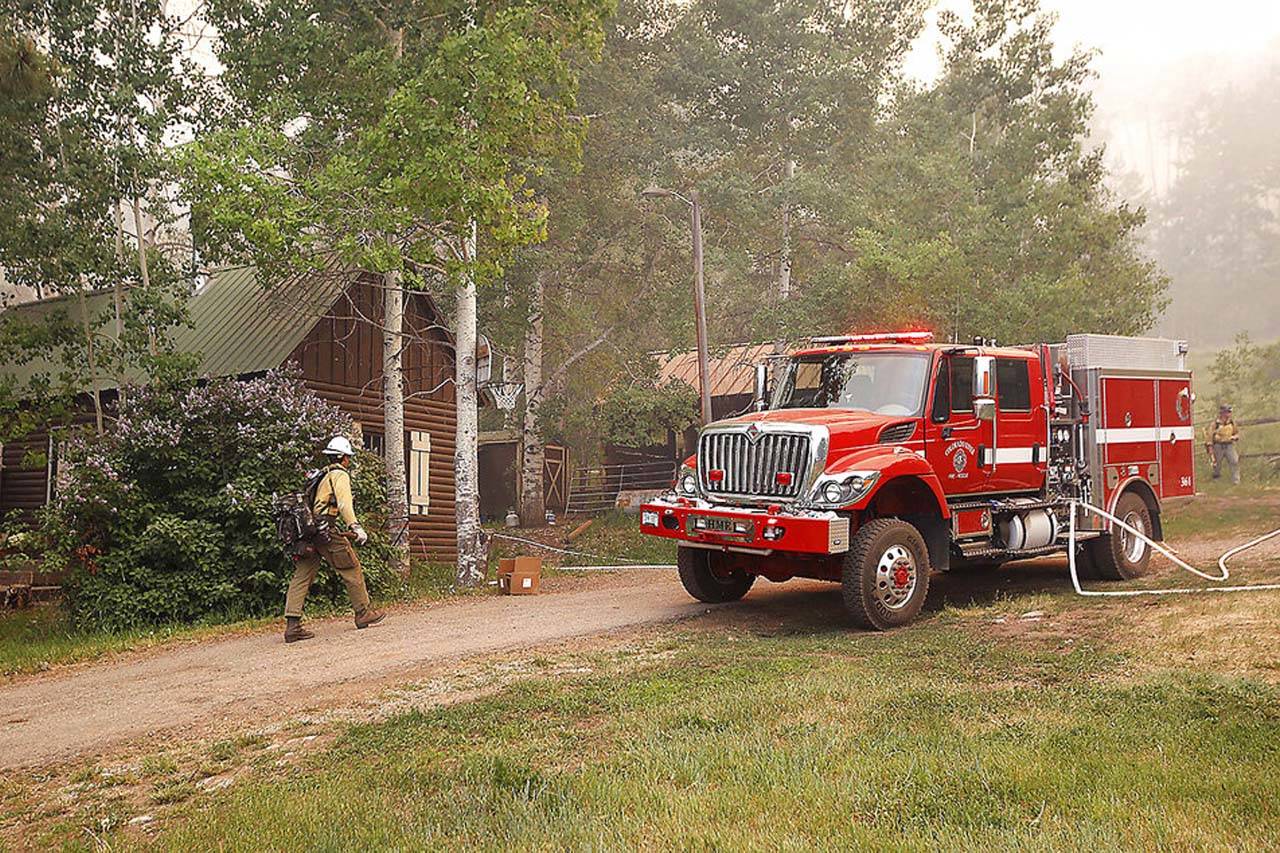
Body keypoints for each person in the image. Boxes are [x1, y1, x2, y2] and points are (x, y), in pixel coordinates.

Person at [283, 436, 386, 643]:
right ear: (343, 457)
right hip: (326, 530)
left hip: (310, 531)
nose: (349, 461)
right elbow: (344, 504)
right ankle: (362, 612)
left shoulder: (321, 475)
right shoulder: (339, 474)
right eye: (348, 457)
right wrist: (355, 526)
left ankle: (292, 626)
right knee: (350, 567)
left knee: (303, 574)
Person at [1206, 403, 1242, 485]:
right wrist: (1210, 447)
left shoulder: (1232, 423)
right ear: (1222, 413)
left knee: (1234, 461)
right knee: (1217, 464)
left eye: (1229, 412)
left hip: (1229, 445)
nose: (1228, 414)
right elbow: (1210, 436)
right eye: (1227, 412)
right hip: (1218, 446)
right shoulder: (1215, 424)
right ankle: (1216, 480)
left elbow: (1236, 433)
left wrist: (1234, 437)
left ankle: (1236, 481)